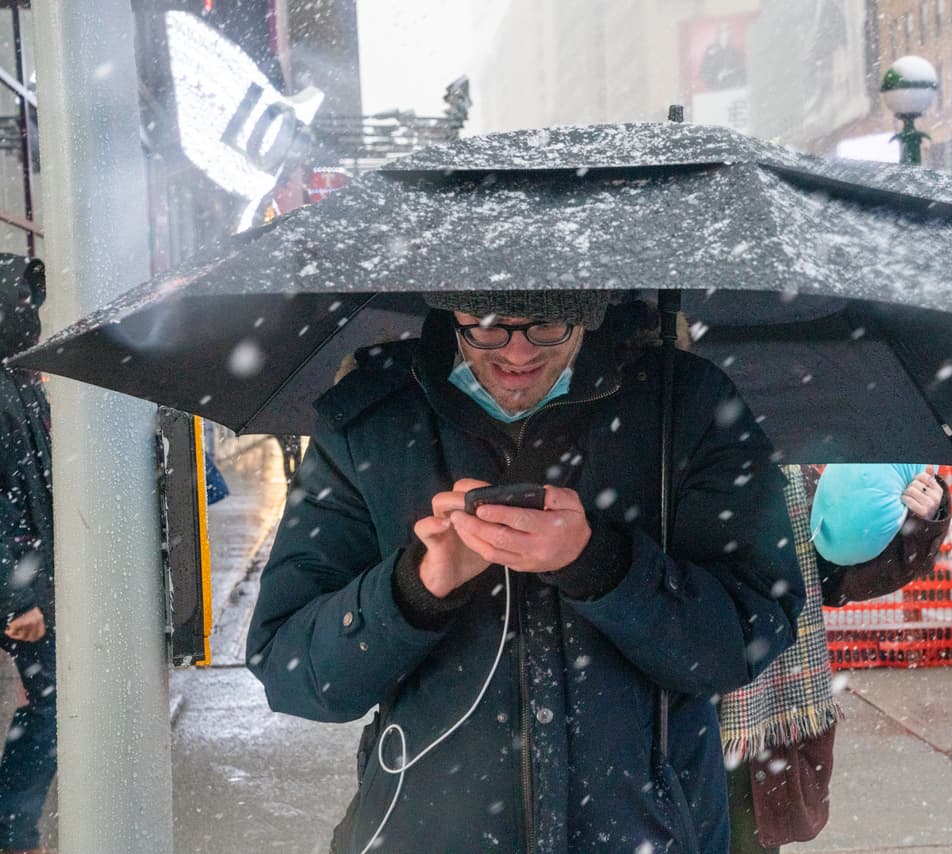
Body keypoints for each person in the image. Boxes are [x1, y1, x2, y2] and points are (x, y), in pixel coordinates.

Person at [247, 291, 804, 853]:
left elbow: (749, 633)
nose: (515, 353)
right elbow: (293, 672)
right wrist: (416, 588)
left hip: (651, 831)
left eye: (547, 325)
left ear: (587, 311)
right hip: (428, 831)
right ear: (451, 306)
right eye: (485, 325)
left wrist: (599, 565)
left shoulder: (686, 406)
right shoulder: (370, 418)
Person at [722, 463, 951, 853]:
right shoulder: (642, 465)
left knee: (743, 839)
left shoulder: (786, 473)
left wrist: (916, 520)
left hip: (754, 723)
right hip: (659, 711)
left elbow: (843, 574)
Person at [0, 255, 56, 854]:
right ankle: (13, 831)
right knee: (54, 708)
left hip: (33, 578)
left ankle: (15, 829)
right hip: (22, 585)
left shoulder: (17, 381)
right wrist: (18, 598)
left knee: (51, 704)